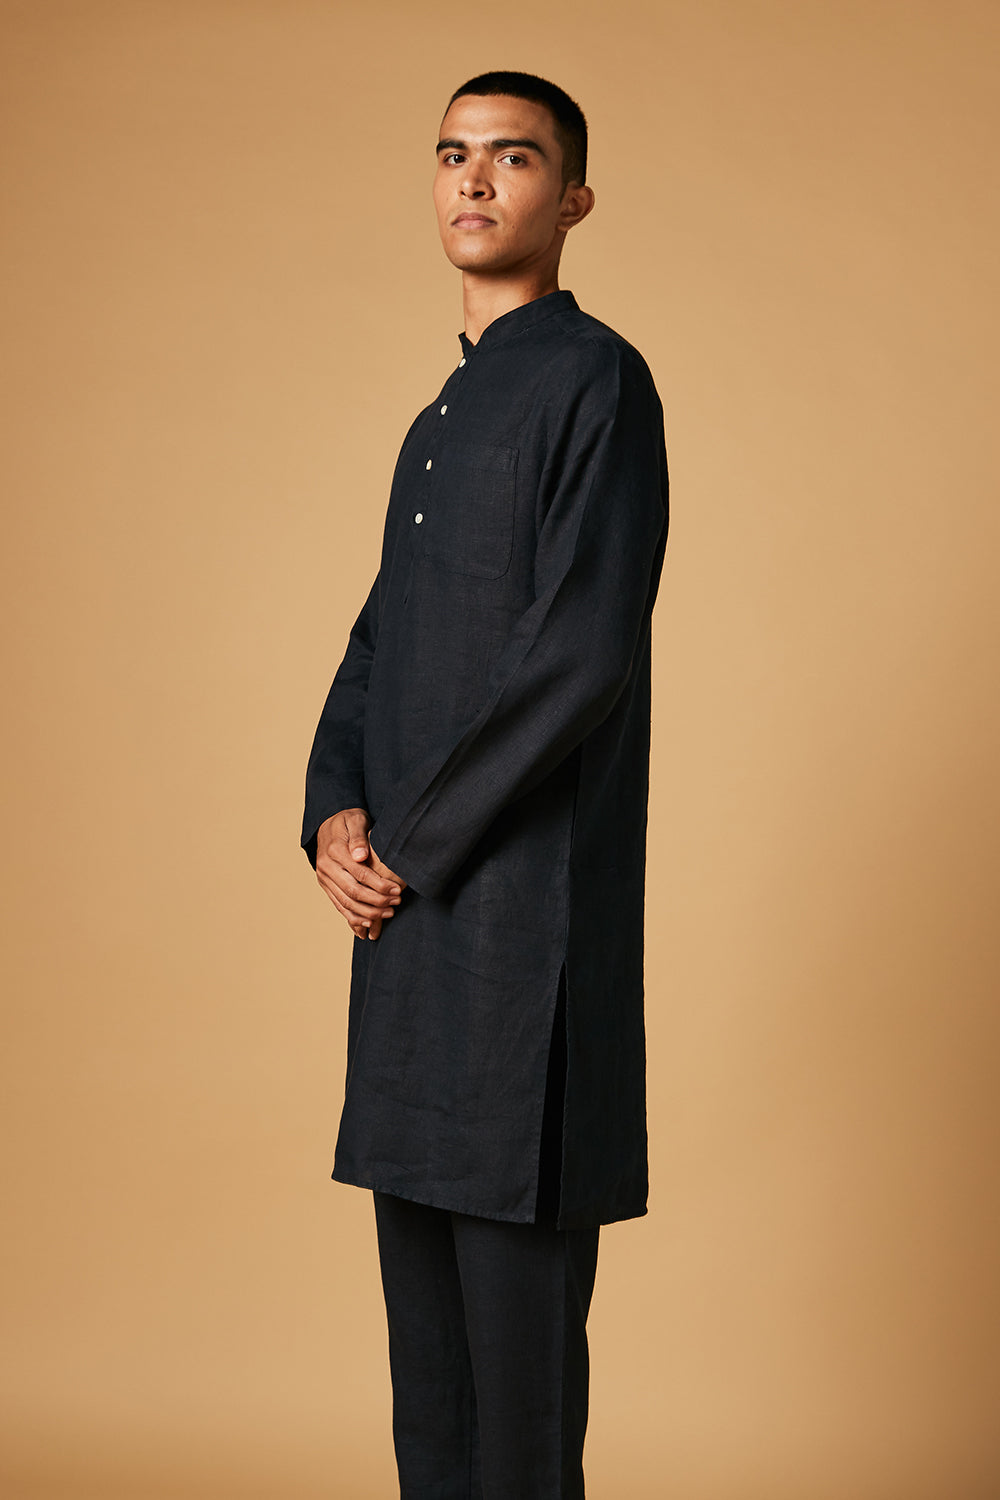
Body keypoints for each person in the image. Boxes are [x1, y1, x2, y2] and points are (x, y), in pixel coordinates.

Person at [302, 70, 668, 1499]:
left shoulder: (596, 381)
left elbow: (581, 654)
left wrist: (412, 841)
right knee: (428, 1378)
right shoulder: (438, 419)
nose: (473, 178)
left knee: (517, 1389)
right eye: (453, 153)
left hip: (523, 935)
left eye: (512, 157)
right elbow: (380, 637)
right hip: (409, 940)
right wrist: (333, 811)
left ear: (571, 199)